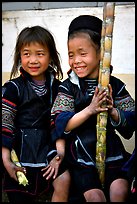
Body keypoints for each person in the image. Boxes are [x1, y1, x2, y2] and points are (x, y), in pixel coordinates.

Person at [50, 15, 135, 202]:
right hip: (80, 155)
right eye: (71, 54)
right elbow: (62, 124)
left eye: (82, 53)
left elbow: (130, 123)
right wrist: (91, 109)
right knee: (95, 197)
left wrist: (113, 111)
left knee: (120, 190)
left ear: (101, 52)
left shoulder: (115, 85)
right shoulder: (68, 87)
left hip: (112, 152)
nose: (76, 60)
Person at [2, 25, 70, 203]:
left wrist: (59, 156)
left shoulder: (58, 88)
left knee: (64, 180)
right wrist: (6, 160)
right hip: (20, 152)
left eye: (40, 54)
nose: (33, 60)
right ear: (19, 57)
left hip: (48, 149)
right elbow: (5, 124)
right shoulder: (12, 88)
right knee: (19, 192)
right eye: (26, 54)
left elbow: (59, 123)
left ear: (51, 57)